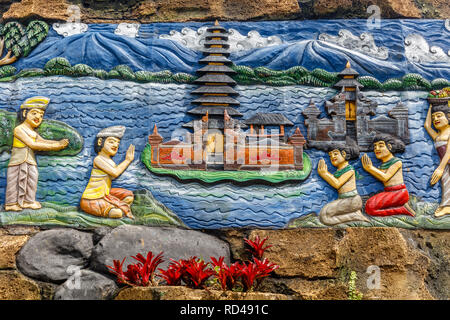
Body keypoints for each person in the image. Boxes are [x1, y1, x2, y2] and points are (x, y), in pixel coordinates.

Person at [4, 97, 69, 211]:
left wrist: (58, 142)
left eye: (41, 115)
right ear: (25, 113)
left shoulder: (32, 132)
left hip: (30, 160)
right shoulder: (19, 129)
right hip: (17, 162)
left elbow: (43, 141)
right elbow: (33, 144)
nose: (38, 117)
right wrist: (56, 146)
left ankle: (28, 201)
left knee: (32, 179)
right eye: (34, 113)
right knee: (14, 182)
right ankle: (11, 203)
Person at [80, 125, 135, 219]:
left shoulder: (110, 162)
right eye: (111, 142)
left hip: (105, 194)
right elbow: (115, 173)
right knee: (117, 214)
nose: (115, 145)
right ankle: (117, 209)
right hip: (91, 199)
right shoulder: (98, 159)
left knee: (129, 195)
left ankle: (117, 206)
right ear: (100, 142)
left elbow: (113, 176)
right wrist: (127, 160)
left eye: (118, 143)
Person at [361, 133, 415, 217]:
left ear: (389, 147)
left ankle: (402, 210)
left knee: (370, 207)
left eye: (380, 145)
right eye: (375, 147)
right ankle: (399, 209)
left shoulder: (396, 162)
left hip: (399, 193)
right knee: (369, 206)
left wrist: (370, 168)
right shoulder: (383, 165)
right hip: (389, 192)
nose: (376, 149)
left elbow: (385, 177)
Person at [317, 141, 370, 226]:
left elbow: (337, 184)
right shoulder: (338, 171)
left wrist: (325, 174)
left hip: (352, 200)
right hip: (344, 200)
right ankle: (352, 215)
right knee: (324, 213)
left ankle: (355, 216)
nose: (332, 157)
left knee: (325, 217)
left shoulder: (349, 170)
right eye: (330, 155)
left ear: (344, 154)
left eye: (335, 154)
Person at [424, 103, 450, 217]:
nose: (435, 119)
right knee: (445, 183)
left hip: (445, 162)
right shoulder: (438, 136)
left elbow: (449, 151)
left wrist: (440, 168)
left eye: (439, 116)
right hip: (445, 164)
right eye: (434, 117)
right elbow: (427, 126)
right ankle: (446, 206)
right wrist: (430, 107)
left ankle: (447, 206)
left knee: (446, 182)